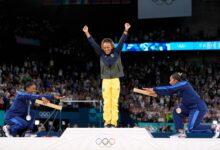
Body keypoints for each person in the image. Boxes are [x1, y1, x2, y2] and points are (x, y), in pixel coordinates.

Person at [82, 23, 131, 127]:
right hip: (105, 81)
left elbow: (122, 41)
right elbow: (93, 43)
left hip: (115, 80)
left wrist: (125, 30)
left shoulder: (117, 52)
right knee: (107, 102)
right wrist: (87, 33)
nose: (106, 49)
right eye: (104, 47)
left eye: (108, 47)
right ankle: (107, 122)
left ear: (112, 46)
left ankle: (113, 122)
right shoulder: (101, 53)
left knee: (114, 102)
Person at [143, 72, 220, 138]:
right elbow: (169, 92)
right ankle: (181, 133)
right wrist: (156, 92)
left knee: (192, 129)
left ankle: (214, 127)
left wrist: (154, 89)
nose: (169, 82)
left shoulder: (184, 83)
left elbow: (170, 89)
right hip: (188, 107)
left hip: (197, 107)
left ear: (175, 80)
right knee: (176, 111)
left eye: (171, 80)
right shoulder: (178, 87)